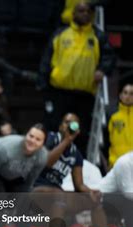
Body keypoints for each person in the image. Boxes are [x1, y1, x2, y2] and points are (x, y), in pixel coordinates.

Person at [33, 113, 126, 227]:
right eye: (65, 122)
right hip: (36, 189)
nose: (67, 126)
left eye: (72, 124)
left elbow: (79, 185)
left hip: (57, 196)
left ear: (78, 131)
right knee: (60, 195)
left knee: (93, 201)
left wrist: (91, 192)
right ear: (60, 126)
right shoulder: (50, 138)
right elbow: (47, 162)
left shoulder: (76, 154)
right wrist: (66, 140)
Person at [38, 2, 116, 155]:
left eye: (88, 11)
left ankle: (76, 159)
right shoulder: (60, 33)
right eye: (81, 11)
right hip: (59, 91)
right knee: (55, 125)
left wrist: (102, 69)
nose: (85, 14)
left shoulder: (98, 36)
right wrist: (42, 83)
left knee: (81, 129)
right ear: (73, 14)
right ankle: (49, 157)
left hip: (84, 93)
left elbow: (109, 57)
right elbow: (46, 59)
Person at [108, 83, 133, 168]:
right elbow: (108, 141)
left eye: (131, 93)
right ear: (120, 95)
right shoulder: (113, 117)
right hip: (116, 163)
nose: (128, 96)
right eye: (125, 92)